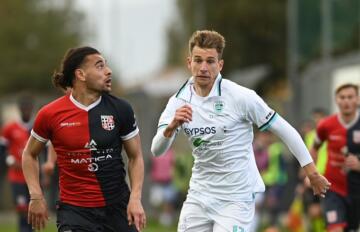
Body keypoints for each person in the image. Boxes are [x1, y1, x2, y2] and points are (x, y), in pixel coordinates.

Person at [151, 30, 330, 232]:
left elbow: (284, 129)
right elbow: (157, 150)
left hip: (236, 198)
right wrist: (172, 126)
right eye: (198, 60)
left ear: (220, 65)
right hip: (199, 196)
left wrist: (312, 172)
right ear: (189, 62)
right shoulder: (178, 101)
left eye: (210, 61)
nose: (203, 68)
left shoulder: (240, 97)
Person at [22, 46, 146, 232]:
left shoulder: (121, 109)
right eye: (99, 66)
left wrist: (135, 198)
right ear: (80, 74)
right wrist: (36, 195)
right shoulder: (49, 114)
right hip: (75, 212)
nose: (108, 71)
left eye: (106, 65)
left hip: (117, 208)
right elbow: (29, 155)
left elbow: (136, 157)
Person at [311, 83, 360, 232]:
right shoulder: (325, 125)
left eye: (350, 97)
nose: (346, 101)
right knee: (335, 228)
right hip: (333, 189)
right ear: (336, 100)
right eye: (342, 97)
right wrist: (311, 174)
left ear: (357, 100)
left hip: (356, 190)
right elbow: (313, 150)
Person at [0, 96, 35, 232]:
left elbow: (44, 151)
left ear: (31, 109)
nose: (26, 111)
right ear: (20, 109)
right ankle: (23, 229)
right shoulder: (10, 128)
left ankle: (29, 229)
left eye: (28, 108)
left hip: (32, 176)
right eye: (23, 108)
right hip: (16, 176)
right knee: (21, 207)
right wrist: (10, 161)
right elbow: (2, 150)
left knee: (33, 207)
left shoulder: (36, 127)